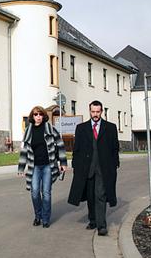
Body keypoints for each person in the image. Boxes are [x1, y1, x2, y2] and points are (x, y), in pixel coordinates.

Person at [67, 100, 119, 236]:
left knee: (100, 195)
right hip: (86, 168)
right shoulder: (81, 128)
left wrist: (114, 165)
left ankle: (102, 226)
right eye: (93, 111)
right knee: (90, 196)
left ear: (101, 111)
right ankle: (93, 220)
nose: (95, 114)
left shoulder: (110, 128)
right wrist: (75, 166)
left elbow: (115, 149)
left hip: (103, 168)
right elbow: (76, 149)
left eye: (98, 111)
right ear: (89, 111)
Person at [17, 106, 67, 228]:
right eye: (35, 114)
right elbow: (24, 151)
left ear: (43, 116)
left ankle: (45, 218)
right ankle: (37, 216)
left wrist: (63, 163)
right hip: (34, 166)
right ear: (32, 117)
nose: (38, 116)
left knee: (46, 192)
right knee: (34, 192)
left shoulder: (50, 129)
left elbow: (60, 145)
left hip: (48, 166)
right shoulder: (28, 131)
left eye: (40, 114)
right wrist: (21, 168)